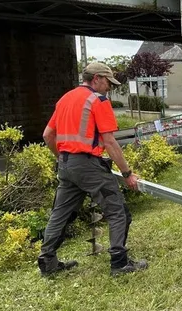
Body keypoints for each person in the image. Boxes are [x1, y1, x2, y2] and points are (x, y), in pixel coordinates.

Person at [38, 62, 147, 277]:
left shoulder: (65, 99)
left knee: (60, 213)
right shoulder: (98, 100)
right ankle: (119, 263)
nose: (109, 88)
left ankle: (47, 263)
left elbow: (47, 135)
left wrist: (63, 159)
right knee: (117, 211)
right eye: (108, 82)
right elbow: (110, 142)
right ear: (96, 78)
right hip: (88, 164)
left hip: (66, 165)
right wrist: (127, 174)